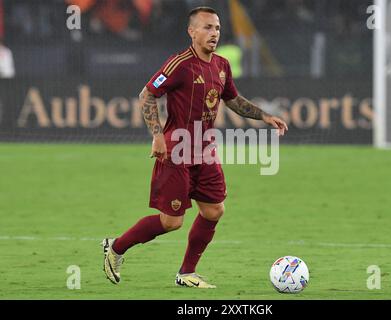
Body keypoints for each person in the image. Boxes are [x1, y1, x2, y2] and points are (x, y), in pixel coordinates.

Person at [102, 6, 288, 289]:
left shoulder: (222, 65)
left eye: (217, 28)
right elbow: (147, 94)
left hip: (204, 151)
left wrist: (264, 116)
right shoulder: (180, 65)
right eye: (207, 27)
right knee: (171, 222)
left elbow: (233, 100)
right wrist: (157, 135)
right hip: (176, 152)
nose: (214, 33)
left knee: (214, 210)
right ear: (192, 32)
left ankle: (186, 272)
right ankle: (116, 247)